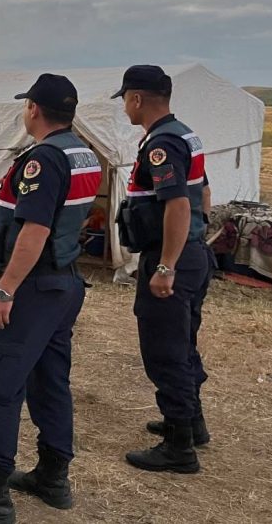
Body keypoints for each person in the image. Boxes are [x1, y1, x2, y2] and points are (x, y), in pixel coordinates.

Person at [0, 74, 101, 523]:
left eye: (26, 105)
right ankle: (52, 476)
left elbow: (35, 230)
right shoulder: (81, 152)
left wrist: (5, 289)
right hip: (63, 282)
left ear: (33, 109)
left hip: (33, 287)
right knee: (50, 380)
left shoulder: (43, 158)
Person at [114, 65, 216, 473]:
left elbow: (178, 204)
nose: (125, 107)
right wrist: (195, 239)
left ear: (137, 98)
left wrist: (166, 265)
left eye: (125, 99)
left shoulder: (162, 144)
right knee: (183, 342)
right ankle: (192, 423)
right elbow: (203, 192)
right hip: (192, 253)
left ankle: (179, 447)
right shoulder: (184, 134)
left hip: (172, 256)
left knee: (165, 350)